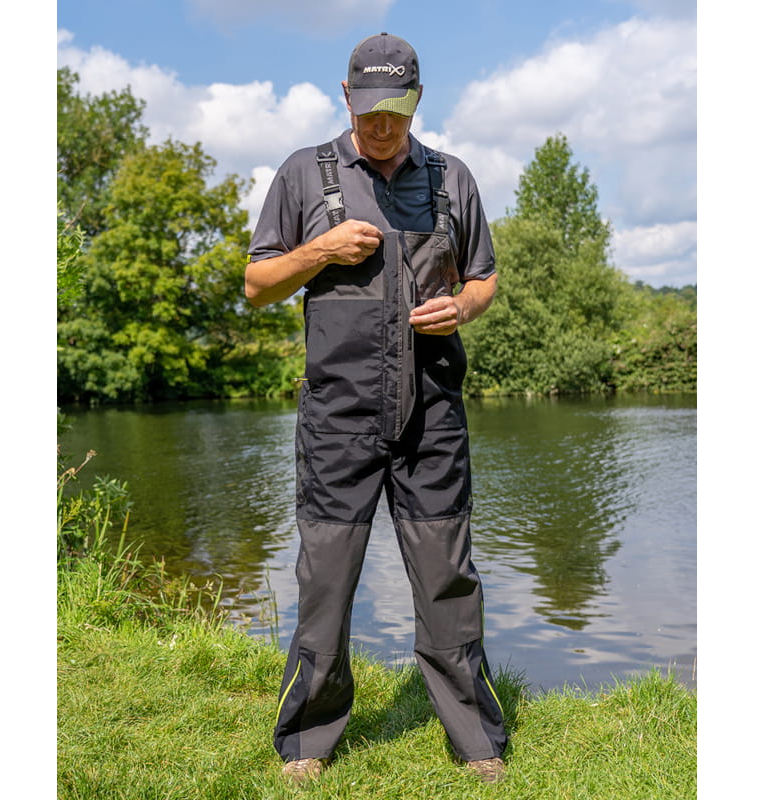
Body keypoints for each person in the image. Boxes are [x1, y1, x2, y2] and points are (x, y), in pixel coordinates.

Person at [245, 32, 507, 785]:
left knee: (447, 577)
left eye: (396, 110)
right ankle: (308, 740)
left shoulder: (452, 178)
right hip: (338, 419)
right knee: (326, 581)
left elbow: (484, 278)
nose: (382, 125)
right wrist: (319, 252)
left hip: (433, 418)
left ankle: (475, 739)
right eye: (369, 110)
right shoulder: (303, 174)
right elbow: (257, 285)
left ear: (417, 100)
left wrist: (463, 306)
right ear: (345, 95)